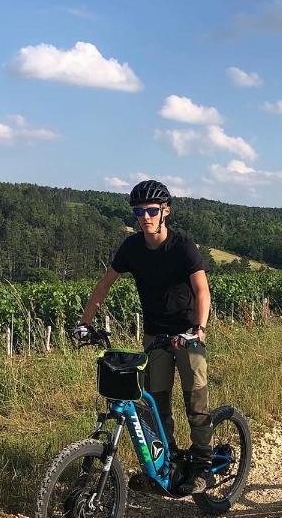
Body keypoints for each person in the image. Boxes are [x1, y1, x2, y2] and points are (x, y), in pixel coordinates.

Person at [76, 179, 213, 494]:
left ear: (166, 211)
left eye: (152, 210)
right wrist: (84, 323)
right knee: (155, 402)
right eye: (139, 211)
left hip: (187, 332)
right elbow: (104, 284)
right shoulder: (132, 247)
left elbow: (202, 290)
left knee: (195, 398)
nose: (145, 217)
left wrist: (198, 329)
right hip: (155, 335)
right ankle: (168, 462)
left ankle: (203, 461)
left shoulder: (182, 247)